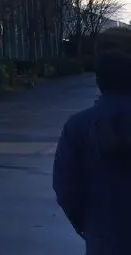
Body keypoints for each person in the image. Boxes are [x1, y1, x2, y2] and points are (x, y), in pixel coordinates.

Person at [53, 49, 131, 255]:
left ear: (99, 80)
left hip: (103, 239)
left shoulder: (77, 127)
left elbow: (66, 188)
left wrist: (88, 225)